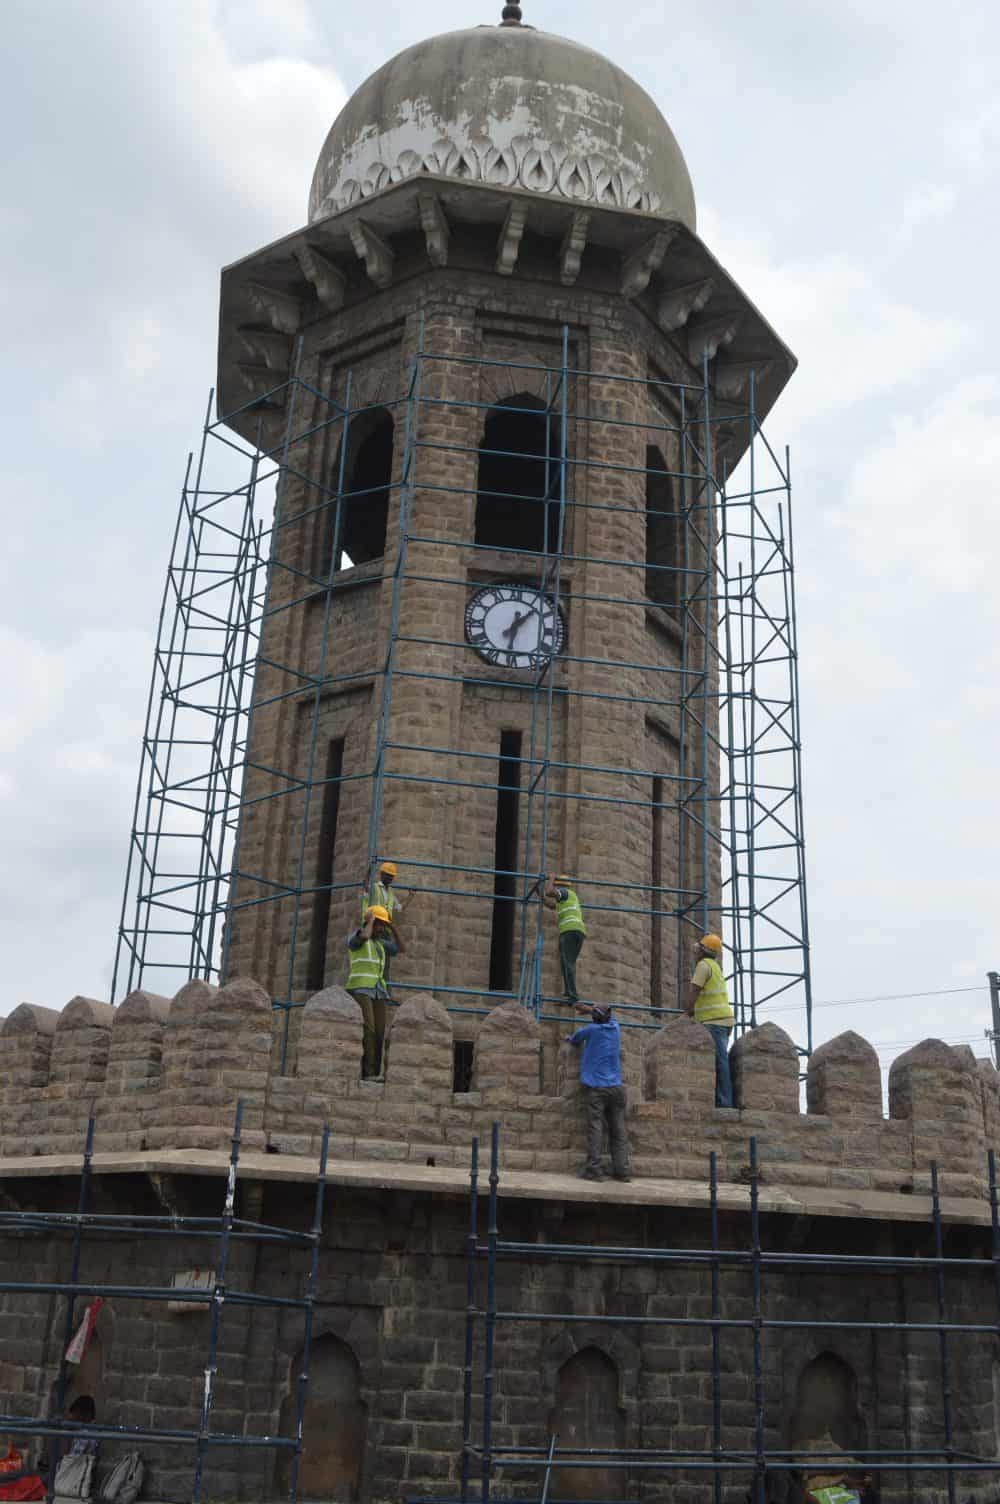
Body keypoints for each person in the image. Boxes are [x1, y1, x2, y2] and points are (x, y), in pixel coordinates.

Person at [566, 1004, 630, 1182]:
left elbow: (574, 1039)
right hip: (616, 1088)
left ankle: (594, 1169)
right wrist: (591, 1010)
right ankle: (622, 1171)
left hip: (597, 1089)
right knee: (618, 1130)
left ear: (594, 1018)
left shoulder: (590, 1030)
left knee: (595, 1128)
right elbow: (610, 1018)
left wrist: (569, 1038)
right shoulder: (615, 1028)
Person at [345, 905, 403, 1079]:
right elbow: (364, 936)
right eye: (379, 924)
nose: (381, 928)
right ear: (370, 921)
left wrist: (393, 927)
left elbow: (401, 948)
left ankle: (375, 1073)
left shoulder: (380, 944)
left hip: (378, 991)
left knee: (379, 1031)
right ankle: (367, 1072)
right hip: (361, 988)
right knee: (368, 1029)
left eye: (383, 925)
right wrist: (370, 921)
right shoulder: (356, 938)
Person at [685, 932, 735, 1108]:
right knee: (720, 1061)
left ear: (703, 951)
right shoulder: (715, 966)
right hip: (724, 1020)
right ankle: (721, 1099)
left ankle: (724, 1102)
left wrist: (687, 1013)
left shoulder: (703, 966)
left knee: (720, 1062)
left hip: (714, 1021)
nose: (695, 952)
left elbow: (694, 991)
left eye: (698, 949)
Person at [544, 874, 587, 1005]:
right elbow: (550, 904)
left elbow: (549, 892)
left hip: (570, 930)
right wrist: (537, 892)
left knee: (567, 963)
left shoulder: (564, 892)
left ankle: (573, 996)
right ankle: (569, 994)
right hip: (576, 931)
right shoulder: (566, 899)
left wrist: (551, 878)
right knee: (567, 963)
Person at [360, 861, 407, 981]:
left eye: (392, 876)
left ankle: (383, 985)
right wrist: (370, 868)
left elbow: (400, 908)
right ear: (381, 874)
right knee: (371, 954)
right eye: (388, 875)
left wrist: (411, 896)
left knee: (385, 960)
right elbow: (365, 884)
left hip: (385, 929)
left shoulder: (390, 892)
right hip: (372, 926)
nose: (390, 878)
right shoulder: (375, 887)